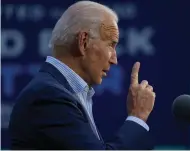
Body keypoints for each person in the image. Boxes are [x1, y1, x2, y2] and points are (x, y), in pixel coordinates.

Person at [8, 1, 156, 150]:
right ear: (83, 42)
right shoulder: (48, 97)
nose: (114, 59)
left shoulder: (64, 93)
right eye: (111, 45)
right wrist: (137, 116)